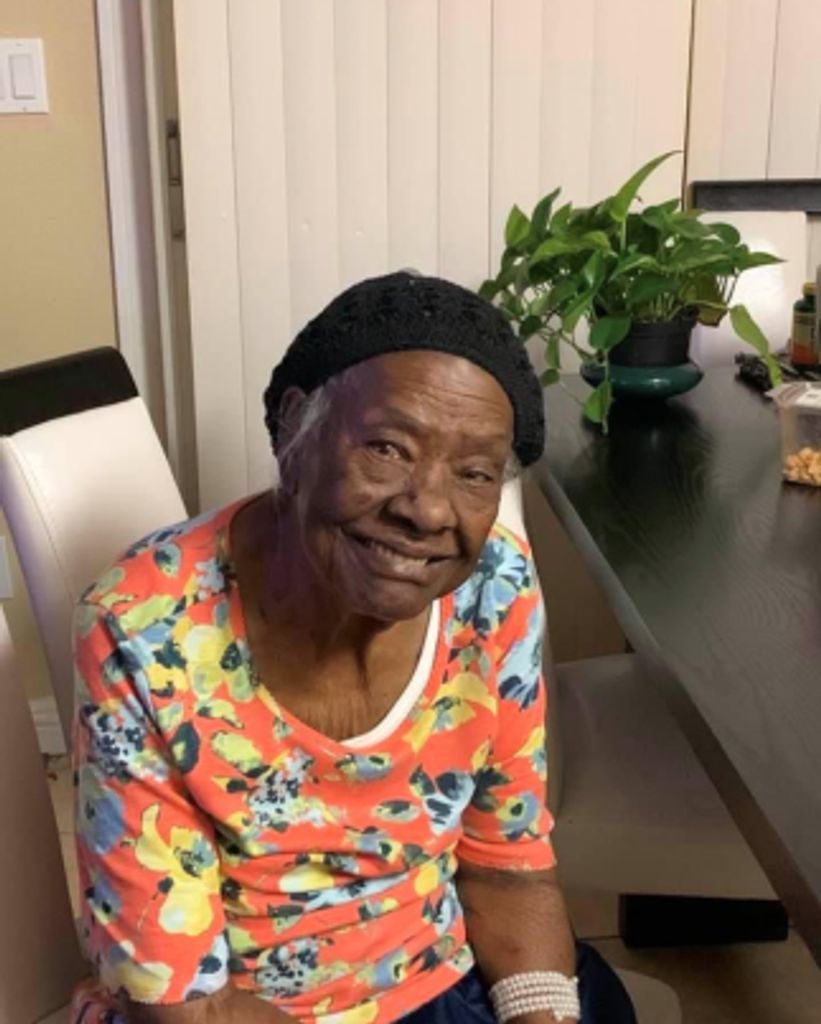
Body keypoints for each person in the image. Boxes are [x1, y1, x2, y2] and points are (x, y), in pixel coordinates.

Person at [71, 273, 635, 1023]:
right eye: (386, 448)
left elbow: (507, 870)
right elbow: (183, 1002)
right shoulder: (142, 627)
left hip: (437, 977)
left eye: (474, 474)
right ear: (293, 428)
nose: (426, 510)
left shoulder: (493, 586)